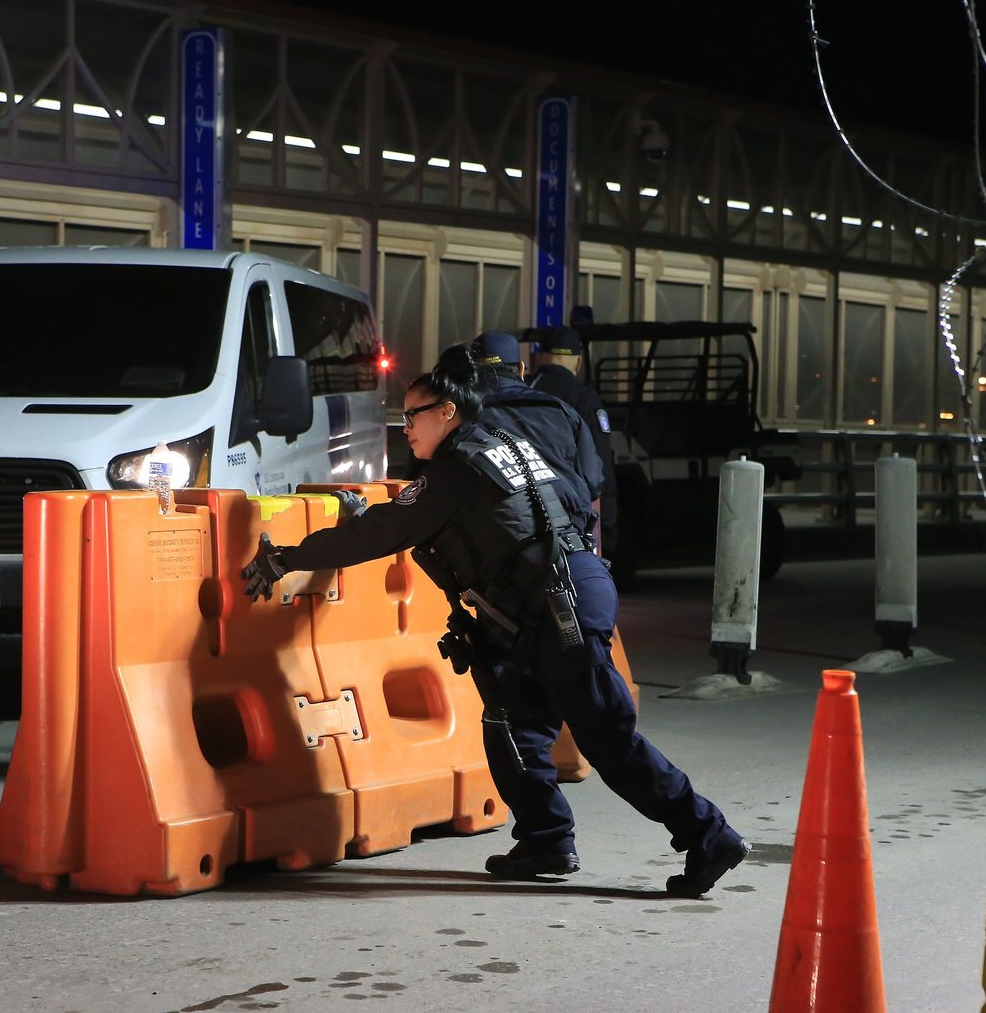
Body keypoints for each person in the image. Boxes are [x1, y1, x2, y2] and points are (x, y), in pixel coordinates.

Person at [240, 343, 749, 896]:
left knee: (608, 738)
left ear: (448, 413)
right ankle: (545, 841)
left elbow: (382, 532)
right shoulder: (494, 448)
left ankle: (708, 833)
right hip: (550, 602)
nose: (404, 426)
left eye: (412, 415)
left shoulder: (458, 468)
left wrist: (286, 557)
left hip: (559, 606)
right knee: (513, 722)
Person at [470, 330, 603, 552]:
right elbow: (593, 481)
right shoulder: (562, 411)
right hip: (563, 539)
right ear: (521, 369)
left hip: (486, 544)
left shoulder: (456, 417)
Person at [526, 325, 619, 561]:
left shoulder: (521, 389)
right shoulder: (584, 398)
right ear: (577, 363)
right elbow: (599, 462)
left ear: (537, 358)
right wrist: (607, 520)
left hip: (520, 504)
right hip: (569, 510)